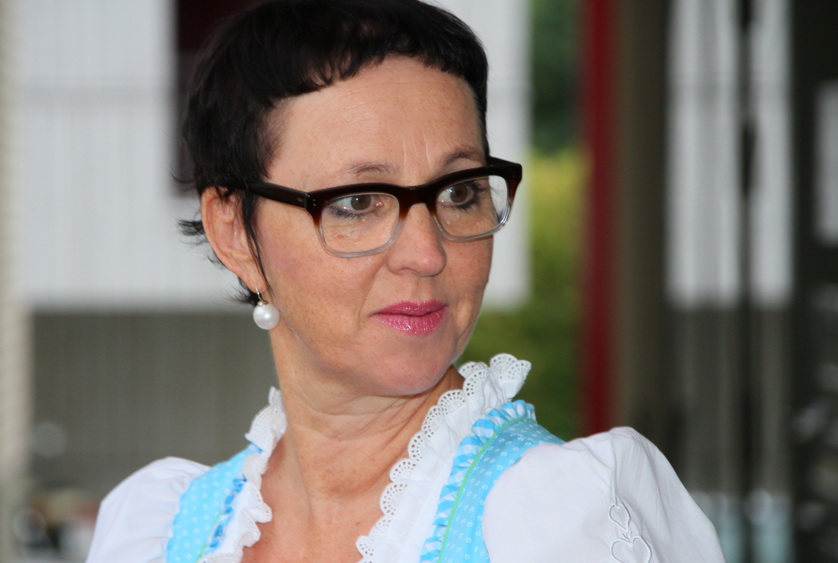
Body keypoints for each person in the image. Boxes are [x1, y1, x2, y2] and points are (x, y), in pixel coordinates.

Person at [85, 1, 725, 561]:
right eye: (358, 201)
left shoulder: (563, 519)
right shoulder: (161, 530)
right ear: (235, 233)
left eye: (460, 191)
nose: (426, 253)